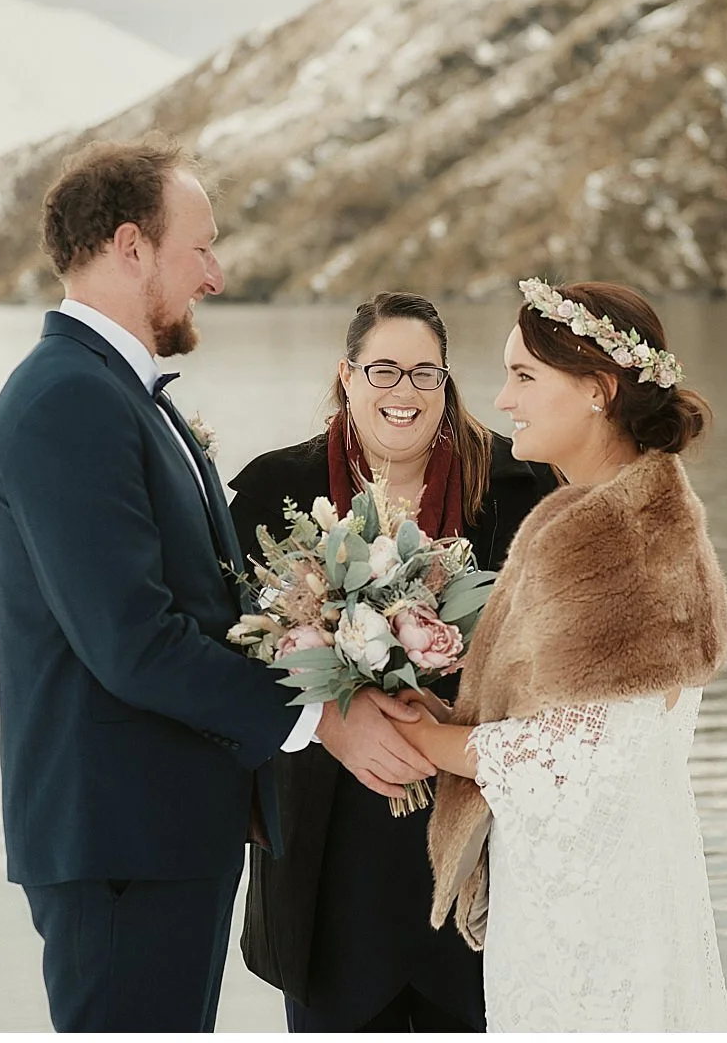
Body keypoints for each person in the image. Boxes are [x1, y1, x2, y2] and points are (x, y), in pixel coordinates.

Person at [0, 135, 433, 1032]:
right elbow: (133, 642)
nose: (216, 275)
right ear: (130, 246)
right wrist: (321, 717)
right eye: (202, 247)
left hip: (161, 833)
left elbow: (206, 606)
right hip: (119, 840)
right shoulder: (66, 402)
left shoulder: (118, 394)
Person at [395, 280, 727, 1031]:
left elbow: (575, 756)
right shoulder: (634, 512)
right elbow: (590, 717)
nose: (503, 399)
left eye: (523, 376)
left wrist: (423, 739)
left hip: (593, 909)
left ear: (597, 391)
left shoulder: (613, 537)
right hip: (617, 876)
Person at [228, 291, 559, 1032]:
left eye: (424, 374)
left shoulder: (519, 490)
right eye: (383, 370)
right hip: (326, 847)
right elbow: (234, 657)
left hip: (474, 847)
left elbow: (554, 662)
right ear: (346, 377)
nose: (402, 392)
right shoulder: (272, 491)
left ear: (447, 384)